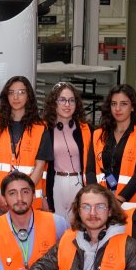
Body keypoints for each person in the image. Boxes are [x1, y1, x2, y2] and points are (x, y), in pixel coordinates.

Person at [0, 77, 53, 218]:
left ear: (28, 96)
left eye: (21, 92)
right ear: (6, 96)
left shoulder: (40, 128)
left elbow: (39, 167)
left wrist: (22, 196)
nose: (16, 97)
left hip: (28, 203)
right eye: (11, 92)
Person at [89, 84, 136, 205]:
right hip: (101, 201)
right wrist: (96, 197)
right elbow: (90, 171)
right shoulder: (98, 134)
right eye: (114, 104)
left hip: (129, 203)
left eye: (123, 104)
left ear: (132, 107)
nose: (117, 108)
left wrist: (119, 200)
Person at [43, 82, 91, 217]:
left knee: (78, 225)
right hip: (56, 183)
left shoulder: (85, 129)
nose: (67, 104)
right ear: (54, 103)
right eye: (62, 100)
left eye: (71, 100)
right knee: (57, 225)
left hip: (79, 182)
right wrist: (42, 195)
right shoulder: (44, 129)